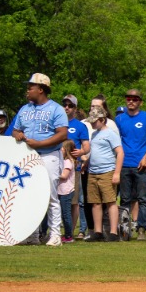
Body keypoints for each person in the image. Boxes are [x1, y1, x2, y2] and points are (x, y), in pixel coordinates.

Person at [12, 73, 68, 247]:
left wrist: (40, 143)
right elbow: (15, 130)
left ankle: (55, 234)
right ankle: (32, 234)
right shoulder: (24, 109)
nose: (27, 90)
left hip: (50, 155)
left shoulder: (56, 109)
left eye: (31, 87)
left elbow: (62, 134)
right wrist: (18, 134)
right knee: (29, 196)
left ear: (41, 89)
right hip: (29, 157)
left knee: (50, 196)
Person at [115, 89, 146, 241]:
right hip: (125, 164)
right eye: (128, 98)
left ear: (140, 101)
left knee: (142, 199)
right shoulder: (120, 119)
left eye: (135, 99)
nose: (131, 101)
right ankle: (125, 231)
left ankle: (142, 229)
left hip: (141, 165)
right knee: (125, 199)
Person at [84, 108, 124, 242]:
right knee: (95, 203)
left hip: (107, 171)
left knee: (110, 202)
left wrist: (117, 173)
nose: (92, 124)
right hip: (93, 172)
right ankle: (98, 231)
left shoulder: (111, 134)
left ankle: (113, 232)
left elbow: (120, 153)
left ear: (102, 120)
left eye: (95, 122)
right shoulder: (94, 134)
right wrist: (87, 163)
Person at [62, 94, 91, 239]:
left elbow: (86, 146)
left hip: (74, 168)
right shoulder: (58, 124)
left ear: (75, 108)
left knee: (74, 201)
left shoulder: (80, 126)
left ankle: (71, 232)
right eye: (65, 104)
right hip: (58, 167)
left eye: (70, 105)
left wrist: (81, 152)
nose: (66, 107)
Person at [57, 139, 77, 243]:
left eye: (61, 148)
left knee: (66, 214)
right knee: (62, 214)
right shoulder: (63, 161)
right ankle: (66, 234)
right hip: (61, 191)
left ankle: (69, 235)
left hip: (66, 191)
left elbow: (64, 176)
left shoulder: (68, 162)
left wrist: (54, 175)